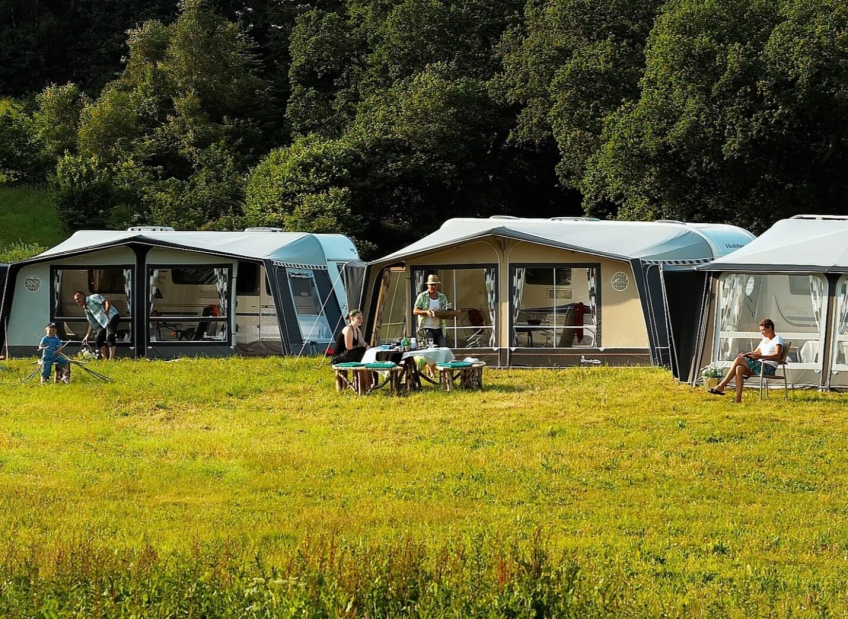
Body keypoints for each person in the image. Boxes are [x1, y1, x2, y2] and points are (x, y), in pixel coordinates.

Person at [709, 318, 784, 403]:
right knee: (739, 368)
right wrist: (746, 354)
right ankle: (738, 399)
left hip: (768, 368)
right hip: (760, 365)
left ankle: (722, 385)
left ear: (770, 327)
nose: (762, 333)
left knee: (738, 360)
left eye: (763, 330)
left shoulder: (777, 339)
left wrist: (761, 356)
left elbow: (777, 356)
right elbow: (755, 353)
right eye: (761, 331)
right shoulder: (764, 340)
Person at [74, 290, 120, 360]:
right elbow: (91, 323)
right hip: (103, 323)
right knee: (98, 339)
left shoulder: (93, 298)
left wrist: (107, 310)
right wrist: (87, 336)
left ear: (83, 296)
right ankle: (105, 359)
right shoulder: (86, 309)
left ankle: (111, 358)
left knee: (110, 335)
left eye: (78, 298)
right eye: (75, 300)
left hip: (111, 316)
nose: (77, 301)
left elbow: (107, 301)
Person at [413, 274, 450, 348]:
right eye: (432, 285)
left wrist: (447, 313)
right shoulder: (422, 296)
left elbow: (446, 310)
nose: (434, 287)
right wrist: (426, 312)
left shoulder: (442, 297)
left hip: (440, 328)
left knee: (442, 350)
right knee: (430, 350)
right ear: (428, 285)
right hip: (427, 328)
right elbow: (415, 311)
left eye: (435, 285)